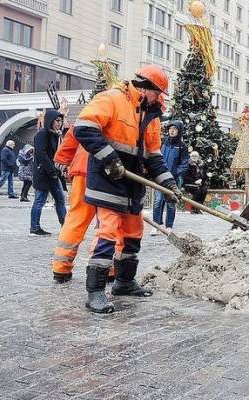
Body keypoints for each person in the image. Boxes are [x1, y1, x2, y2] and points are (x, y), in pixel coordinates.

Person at [75, 65, 182, 313]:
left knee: (133, 233)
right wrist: (110, 158)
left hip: (132, 184)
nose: (160, 99)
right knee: (108, 233)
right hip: (108, 180)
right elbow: (84, 128)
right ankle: (96, 292)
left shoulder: (152, 116)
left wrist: (168, 184)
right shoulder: (112, 99)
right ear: (145, 88)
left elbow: (153, 156)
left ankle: (124, 282)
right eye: (159, 93)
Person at [51, 126, 116, 283]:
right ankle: (104, 268)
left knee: (76, 218)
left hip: (83, 169)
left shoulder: (93, 111)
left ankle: (61, 267)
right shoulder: (124, 110)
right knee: (108, 220)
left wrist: (63, 159)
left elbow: (74, 133)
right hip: (108, 171)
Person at [30, 111, 67, 236]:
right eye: (57, 120)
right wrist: (52, 171)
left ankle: (66, 226)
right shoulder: (43, 134)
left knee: (60, 200)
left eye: (60, 121)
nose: (59, 123)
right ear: (50, 120)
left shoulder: (56, 135)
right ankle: (34, 228)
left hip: (54, 174)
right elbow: (42, 154)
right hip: (44, 174)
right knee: (40, 200)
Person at [151, 120, 188, 235]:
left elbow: (184, 164)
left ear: (179, 131)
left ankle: (169, 226)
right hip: (160, 178)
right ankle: (156, 225)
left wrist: (175, 173)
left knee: (171, 203)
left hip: (173, 179)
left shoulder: (182, 147)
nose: (172, 130)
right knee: (157, 201)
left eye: (175, 129)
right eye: (170, 128)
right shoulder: (163, 142)